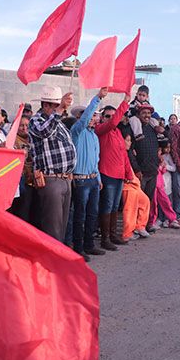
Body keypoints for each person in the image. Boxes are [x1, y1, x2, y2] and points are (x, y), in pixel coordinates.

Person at [29, 86, 76, 241]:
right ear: (46, 105)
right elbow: (45, 132)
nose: (59, 109)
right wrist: (58, 111)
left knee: (61, 226)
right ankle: (52, 262)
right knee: (53, 227)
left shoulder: (58, 123)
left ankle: (58, 260)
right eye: (56, 106)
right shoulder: (36, 120)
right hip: (51, 178)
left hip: (65, 178)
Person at [70, 88, 108, 259]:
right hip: (80, 180)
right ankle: (78, 248)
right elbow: (84, 121)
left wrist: (98, 178)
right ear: (80, 117)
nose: (94, 118)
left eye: (95, 115)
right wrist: (98, 98)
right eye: (91, 115)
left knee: (92, 214)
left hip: (92, 180)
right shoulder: (77, 132)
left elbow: (96, 160)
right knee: (80, 215)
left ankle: (89, 244)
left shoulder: (93, 136)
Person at [96, 92, 132, 251]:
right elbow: (112, 123)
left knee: (115, 206)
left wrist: (128, 173)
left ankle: (112, 235)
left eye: (112, 115)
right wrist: (124, 103)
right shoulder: (101, 130)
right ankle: (105, 238)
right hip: (107, 174)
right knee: (107, 206)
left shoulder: (117, 132)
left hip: (118, 175)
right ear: (102, 118)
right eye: (107, 116)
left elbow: (124, 154)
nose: (111, 118)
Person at [130, 104, 160, 230]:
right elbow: (130, 151)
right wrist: (136, 169)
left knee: (149, 200)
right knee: (138, 202)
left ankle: (146, 224)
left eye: (149, 113)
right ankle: (136, 227)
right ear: (138, 114)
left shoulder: (153, 129)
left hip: (153, 170)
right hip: (140, 172)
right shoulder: (134, 129)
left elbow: (164, 143)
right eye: (144, 113)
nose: (147, 115)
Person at [121, 131, 152, 241]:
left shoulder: (129, 153)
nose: (129, 143)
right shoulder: (120, 152)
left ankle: (140, 226)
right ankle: (127, 233)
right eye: (127, 140)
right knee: (130, 209)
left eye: (130, 140)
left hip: (134, 184)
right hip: (127, 185)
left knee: (145, 201)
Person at [9, 115, 36, 224]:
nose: (25, 128)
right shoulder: (12, 141)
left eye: (27, 125)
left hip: (35, 181)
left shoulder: (33, 139)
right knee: (23, 215)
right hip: (22, 182)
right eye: (21, 126)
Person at [149, 138, 180, 229]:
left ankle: (171, 219)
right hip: (155, 184)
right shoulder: (154, 159)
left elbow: (165, 170)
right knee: (154, 204)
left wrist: (163, 166)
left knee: (166, 202)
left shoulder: (164, 159)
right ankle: (153, 221)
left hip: (162, 184)